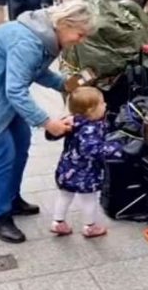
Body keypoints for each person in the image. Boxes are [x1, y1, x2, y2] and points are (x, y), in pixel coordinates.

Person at [0, 0, 94, 243]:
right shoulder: (30, 41)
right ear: (65, 24)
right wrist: (48, 122)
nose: (81, 40)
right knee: (2, 152)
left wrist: (64, 85)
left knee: (21, 142)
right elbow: (16, 91)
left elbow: (33, 70)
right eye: (80, 34)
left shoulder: (44, 35)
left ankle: (11, 198)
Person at [51, 86, 124, 238]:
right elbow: (94, 150)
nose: (105, 105)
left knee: (64, 195)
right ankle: (90, 227)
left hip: (66, 168)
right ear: (91, 110)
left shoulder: (74, 122)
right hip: (86, 173)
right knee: (89, 199)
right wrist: (116, 149)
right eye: (102, 103)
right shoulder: (91, 128)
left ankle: (58, 223)